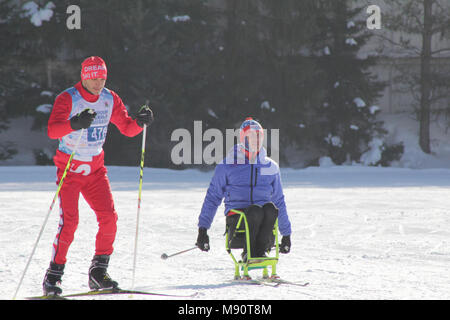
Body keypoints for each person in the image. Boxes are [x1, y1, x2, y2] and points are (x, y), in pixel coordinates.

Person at [43, 56, 153, 296]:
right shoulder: (68, 98)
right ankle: (53, 276)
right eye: (93, 77)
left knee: (109, 219)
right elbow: (53, 130)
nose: (97, 82)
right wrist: (74, 123)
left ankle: (98, 272)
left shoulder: (109, 99)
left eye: (102, 77)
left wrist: (140, 122)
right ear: (83, 75)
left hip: (95, 171)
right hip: (70, 169)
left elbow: (127, 128)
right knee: (69, 223)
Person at [195, 117, 291, 263]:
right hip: (237, 217)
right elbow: (213, 198)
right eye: (251, 136)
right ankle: (249, 253)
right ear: (243, 139)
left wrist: (286, 234)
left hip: (264, 218)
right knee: (255, 211)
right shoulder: (228, 165)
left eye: (258, 136)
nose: (255, 140)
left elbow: (279, 199)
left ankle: (260, 251)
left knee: (271, 208)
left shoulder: (270, 167)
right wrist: (203, 229)